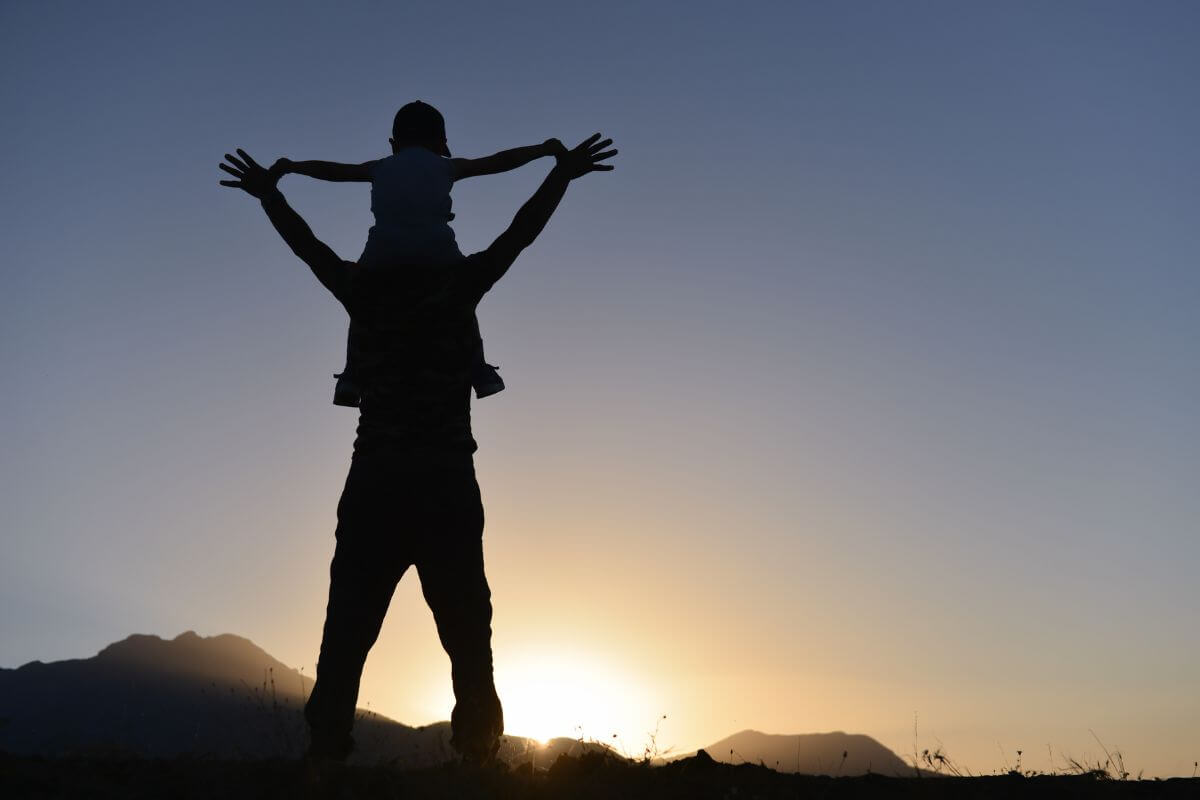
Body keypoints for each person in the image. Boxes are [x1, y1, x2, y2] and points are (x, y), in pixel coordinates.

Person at [218, 133, 616, 766]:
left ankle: (325, 760)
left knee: (346, 632)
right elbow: (520, 233)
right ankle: (480, 762)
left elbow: (309, 249)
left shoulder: (365, 291)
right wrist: (560, 176)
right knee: (467, 636)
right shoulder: (458, 286)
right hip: (446, 482)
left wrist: (271, 195)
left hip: (375, 479)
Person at [272, 101, 566, 407]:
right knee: (465, 302)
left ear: (393, 144)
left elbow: (332, 171)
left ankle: (351, 376)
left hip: (383, 253)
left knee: (360, 301)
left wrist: (293, 167)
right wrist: (541, 150)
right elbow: (499, 161)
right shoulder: (448, 166)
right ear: (442, 143)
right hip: (437, 252)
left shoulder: (379, 167)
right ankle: (479, 369)